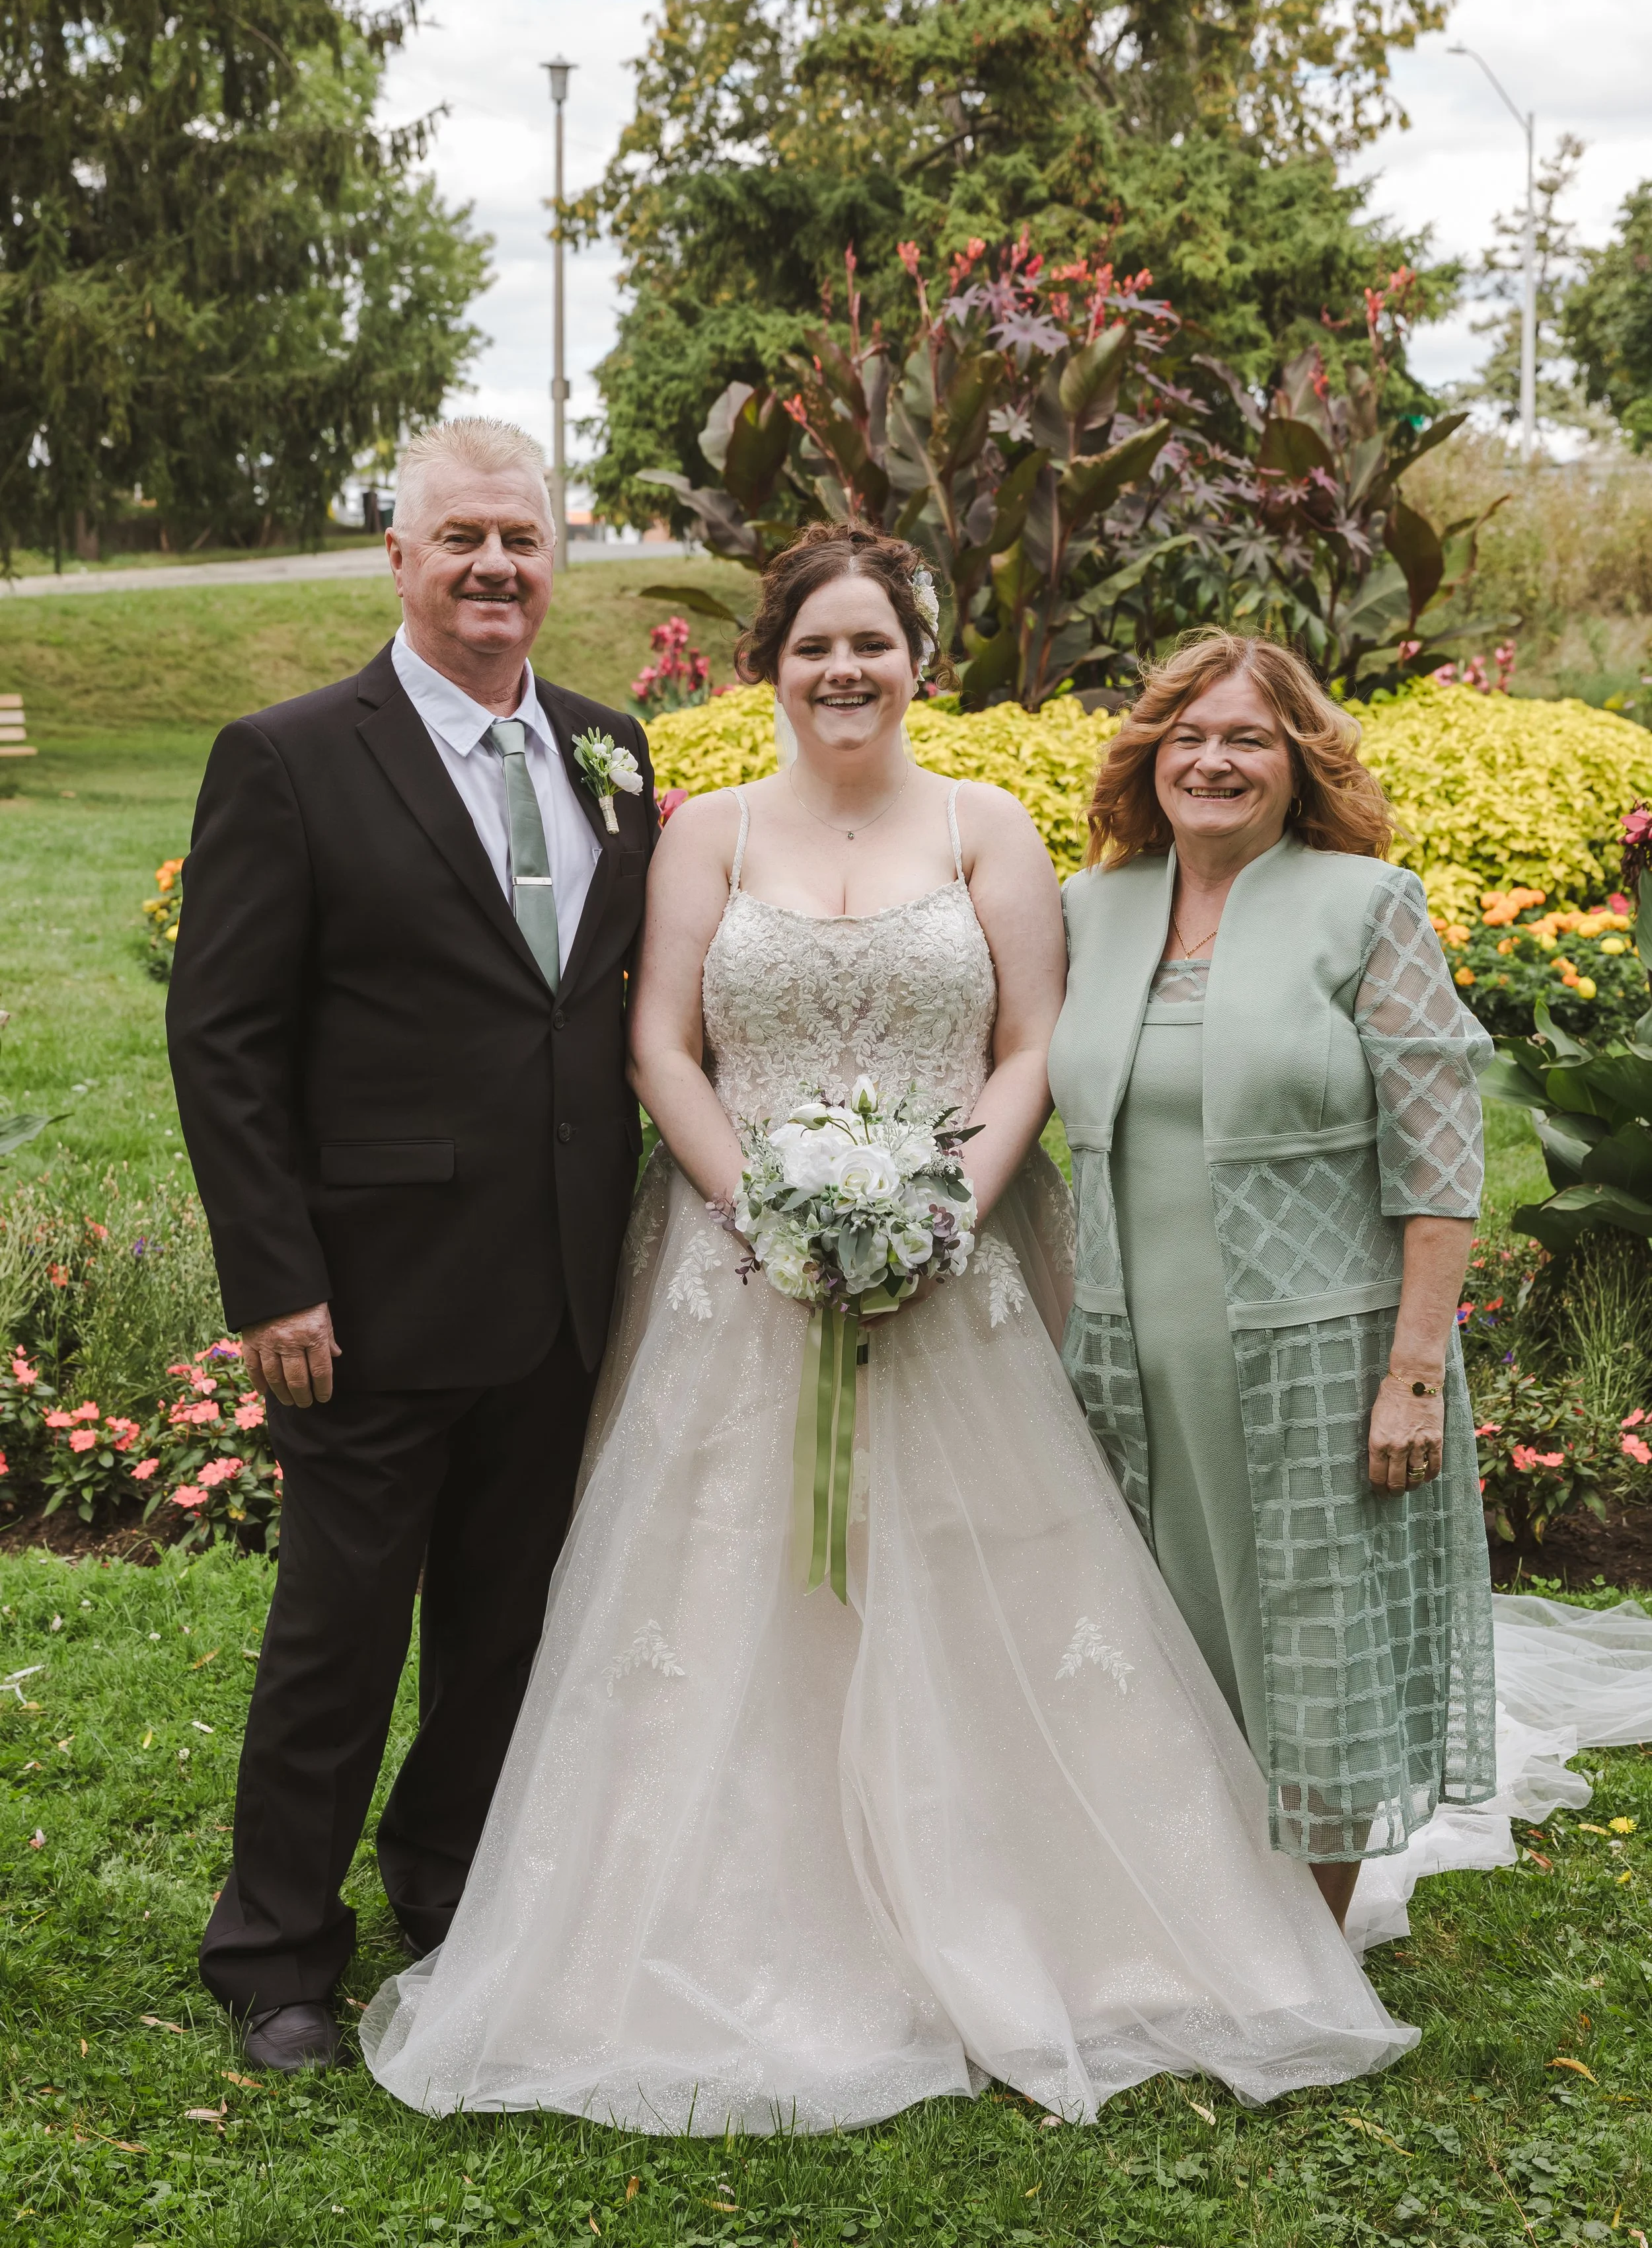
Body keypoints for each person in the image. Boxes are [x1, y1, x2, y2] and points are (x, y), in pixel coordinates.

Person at [361, 525, 1411, 2132]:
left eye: (872, 644)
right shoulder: (701, 832)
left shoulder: (985, 826)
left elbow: (1026, 1045)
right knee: (720, 1590)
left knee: (1000, 1579)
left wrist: (941, 1214)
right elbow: (660, 1050)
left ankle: (1033, 1898)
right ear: (769, 667)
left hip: (957, 1272)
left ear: (919, 659)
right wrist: (760, 1215)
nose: (842, 672)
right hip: (736, 1277)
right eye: (811, 647)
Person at [167, 417, 656, 2072]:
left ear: (553, 556)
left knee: (507, 1623)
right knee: (339, 1631)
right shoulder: (293, 756)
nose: (493, 567)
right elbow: (222, 1040)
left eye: (519, 537)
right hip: (366, 1295)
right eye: (458, 539)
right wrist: (273, 1277)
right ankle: (276, 1950)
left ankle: (448, 1885)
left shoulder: (615, 750)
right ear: (398, 556)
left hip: (563, 1280)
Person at [1050, 630, 1497, 1933]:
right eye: (1186, 735)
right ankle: (1191, 1916)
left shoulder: (1366, 905)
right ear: (1148, 756)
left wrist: (1410, 1374)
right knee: (1156, 1628)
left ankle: (1302, 1945)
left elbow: (1439, 1165)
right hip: (1129, 1351)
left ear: (1299, 763)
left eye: (1246, 738)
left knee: (1316, 1638)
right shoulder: (1091, 907)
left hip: (1323, 1352)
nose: (1212, 760)